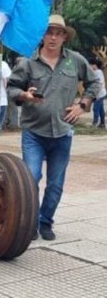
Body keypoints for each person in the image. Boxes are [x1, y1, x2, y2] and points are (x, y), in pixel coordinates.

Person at [7, 14, 99, 241]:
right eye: (49, 32)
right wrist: (24, 96)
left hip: (62, 131)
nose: (53, 37)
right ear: (42, 35)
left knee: (56, 183)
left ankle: (45, 221)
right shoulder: (28, 61)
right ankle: (29, 224)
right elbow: (11, 88)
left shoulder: (75, 60)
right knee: (31, 178)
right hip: (34, 133)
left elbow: (94, 82)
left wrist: (83, 104)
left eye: (59, 33)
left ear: (64, 38)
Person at [89, 57, 106, 128]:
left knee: (95, 108)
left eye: (90, 65)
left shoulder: (98, 72)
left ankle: (94, 123)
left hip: (99, 94)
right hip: (101, 93)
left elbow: (99, 83)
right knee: (101, 109)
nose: (90, 66)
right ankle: (102, 124)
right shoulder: (97, 72)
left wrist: (94, 94)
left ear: (95, 65)